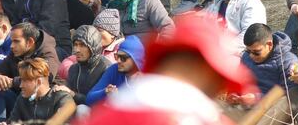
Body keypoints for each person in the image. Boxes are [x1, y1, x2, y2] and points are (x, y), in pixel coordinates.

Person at [79, 14, 256, 125]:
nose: (216, 89)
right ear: (203, 71)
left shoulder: (105, 115)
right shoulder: (199, 118)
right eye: (217, 80)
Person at [0, 22, 60, 123]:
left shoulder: (47, 53)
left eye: (16, 41)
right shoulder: (15, 53)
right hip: (20, 100)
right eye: (11, 41)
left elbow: (43, 79)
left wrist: (12, 82)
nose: (11, 46)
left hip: (43, 104)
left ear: (30, 42)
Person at [238, 23, 298, 102]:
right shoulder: (246, 56)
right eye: (248, 51)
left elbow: (289, 94)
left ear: (269, 44)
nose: (251, 56)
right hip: (244, 103)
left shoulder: (287, 62)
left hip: (272, 108)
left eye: (256, 52)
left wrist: (257, 98)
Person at [9, 58, 76, 124]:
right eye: (21, 81)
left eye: (25, 81)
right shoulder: (22, 98)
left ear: (38, 82)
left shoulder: (62, 99)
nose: (21, 85)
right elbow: (12, 121)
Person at [60, 25, 111, 109]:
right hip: (74, 112)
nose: (77, 50)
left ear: (93, 47)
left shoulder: (106, 68)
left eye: (82, 45)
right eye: (75, 45)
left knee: (82, 110)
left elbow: (100, 102)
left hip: (98, 116)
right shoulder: (74, 69)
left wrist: (73, 94)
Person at [85, 35, 144, 106]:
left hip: (139, 115)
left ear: (136, 59)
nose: (118, 61)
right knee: (82, 109)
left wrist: (120, 99)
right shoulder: (114, 69)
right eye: (117, 56)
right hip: (115, 114)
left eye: (123, 58)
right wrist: (105, 92)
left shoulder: (149, 76)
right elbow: (88, 99)